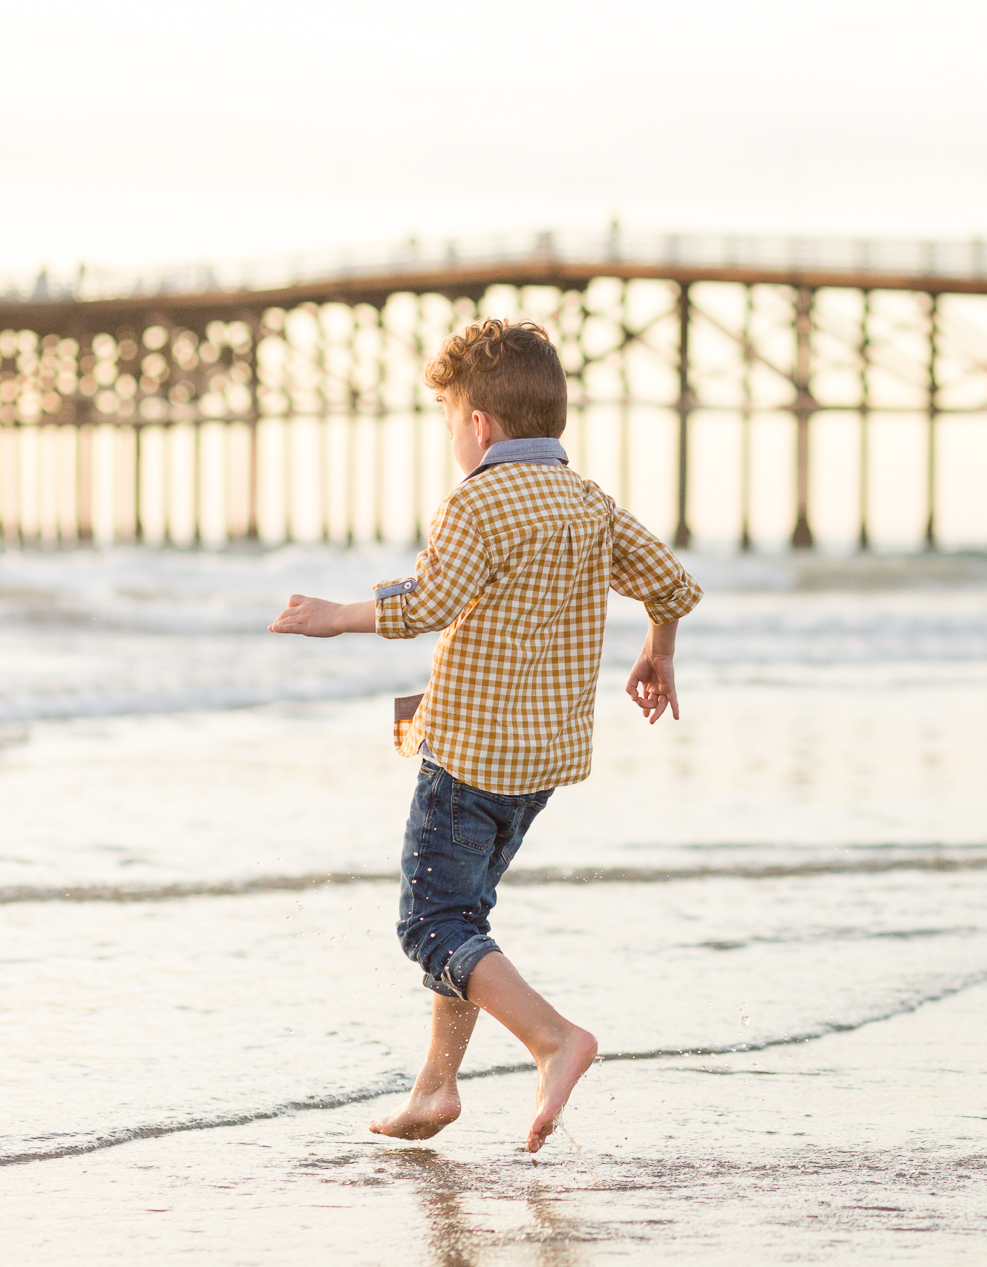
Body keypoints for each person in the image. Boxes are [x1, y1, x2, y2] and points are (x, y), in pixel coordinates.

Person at [268, 319, 701, 1153]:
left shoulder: (476, 499)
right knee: (465, 915)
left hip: (467, 755)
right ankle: (434, 1086)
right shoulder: (587, 502)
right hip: (538, 764)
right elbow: (673, 586)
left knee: (431, 924)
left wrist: (335, 616)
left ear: (480, 426)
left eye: (448, 423)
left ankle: (552, 1039)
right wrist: (659, 652)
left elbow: (426, 603)